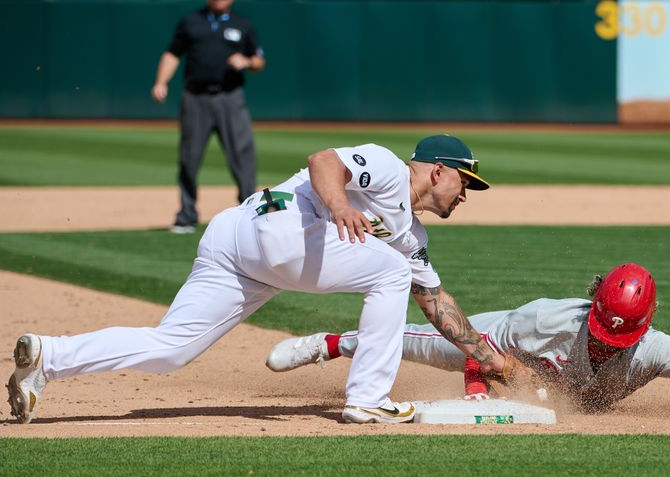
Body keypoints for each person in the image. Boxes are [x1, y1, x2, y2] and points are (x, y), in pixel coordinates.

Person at [6, 135, 511, 425]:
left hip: (237, 240)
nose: (466, 195)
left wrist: (495, 361)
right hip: (277, 230)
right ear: (440, 171)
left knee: (172, 348)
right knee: (391, 272)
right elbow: (323, 161)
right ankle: (367, 399)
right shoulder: (387, 165)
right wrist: (338, 204)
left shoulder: (411, 235)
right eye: (467, 183)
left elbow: (434, 301)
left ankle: (50, 358)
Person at [266, 263, 670, 424]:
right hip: (496, 342)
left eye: (624, 337)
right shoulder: (548, 318)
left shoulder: (655, 348)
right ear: (593, 309)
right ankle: (332, 343)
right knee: (418, 342)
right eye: (605, 330)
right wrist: (475, 392)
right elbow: (483, 348)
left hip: (538, 379)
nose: (613, 343)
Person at [151, 0, 265, 234]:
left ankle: (249, 214)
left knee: (243, 157)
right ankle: (186, 215)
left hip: (230, 97)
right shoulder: (191, 22)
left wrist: (247, 62)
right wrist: (161, 82)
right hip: (195, 97)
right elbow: (172, 53)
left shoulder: (243, 24)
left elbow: (259, 60)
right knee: (189, 158)